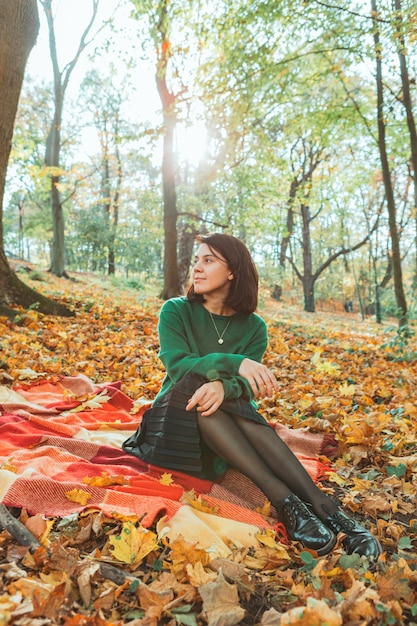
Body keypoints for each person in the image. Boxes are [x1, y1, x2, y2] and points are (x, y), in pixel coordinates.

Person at [123, 233, 382, 559]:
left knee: (219, 397)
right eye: (196, 261)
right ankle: (287, 500)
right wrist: (234, 364)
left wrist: (223, 386)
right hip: (172, 424)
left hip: (222, 430)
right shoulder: (175, 311)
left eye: (208, 260)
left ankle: (325, 509)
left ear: (233, 271)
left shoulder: (254, 328)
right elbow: (179, 367)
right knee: (196, 389)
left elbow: (244, 388)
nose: (197, 269)